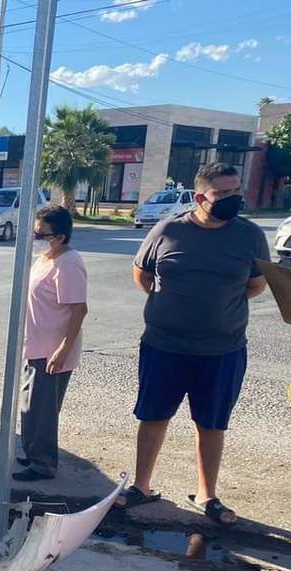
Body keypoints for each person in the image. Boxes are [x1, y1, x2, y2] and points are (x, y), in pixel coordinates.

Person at [115, 163, 269, 525]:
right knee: (153, 416)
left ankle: (207, 494)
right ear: (200, 198)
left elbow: (256, 284)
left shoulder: (249, 235)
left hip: (222, 349)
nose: (234, 199)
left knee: (212, 423)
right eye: (223, 194)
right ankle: (141, 486)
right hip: (163, 346)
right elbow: (142, 274)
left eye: (236, 191)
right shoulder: (168, 230)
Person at [14, 205, 88, 482]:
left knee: (43, 409)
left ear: (60, 236)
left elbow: (79, 310)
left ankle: (44, 463)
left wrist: (62, 349)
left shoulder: (69, 263)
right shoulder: (45, 258)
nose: (36, 237)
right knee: (29, 404)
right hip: (34, 345)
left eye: (41, 234)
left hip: (52, 351)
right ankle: (33, 452)